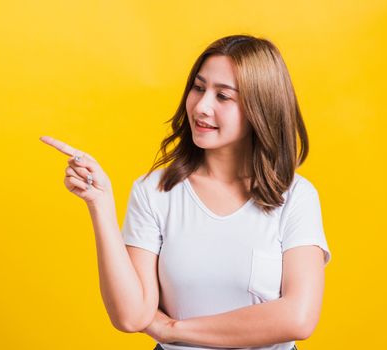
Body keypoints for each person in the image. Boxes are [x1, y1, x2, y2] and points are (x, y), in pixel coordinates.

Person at [40, 34, 331, 350]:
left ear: (260, 108)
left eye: (223, 96)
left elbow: (298, 318)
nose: (202, 106)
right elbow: (132, 316)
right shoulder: (155, 191)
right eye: (199, 87)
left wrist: (173, 329)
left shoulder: (296, 197)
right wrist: (101, 204)